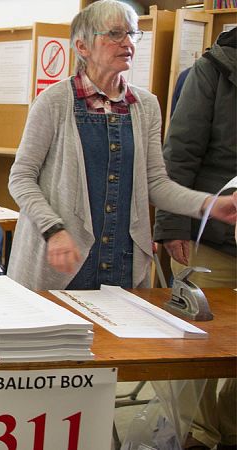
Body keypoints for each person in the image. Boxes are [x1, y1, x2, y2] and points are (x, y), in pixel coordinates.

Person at [7, 0, 236, 292]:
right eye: (115, 33)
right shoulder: (53, 102)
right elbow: (21, 178)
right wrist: (54, 229)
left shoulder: (146, 106)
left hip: (121, 259)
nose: (127, 42)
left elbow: (155, 184)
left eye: (132, 34)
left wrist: (208, 204)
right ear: (83, 46)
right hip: (62, 259)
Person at [153, 28, 236, 450]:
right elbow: (179, 153)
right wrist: (171, 226)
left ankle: (229, 430)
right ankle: (196, 437)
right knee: (198, 347)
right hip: (212, 236)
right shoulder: (213, 71)